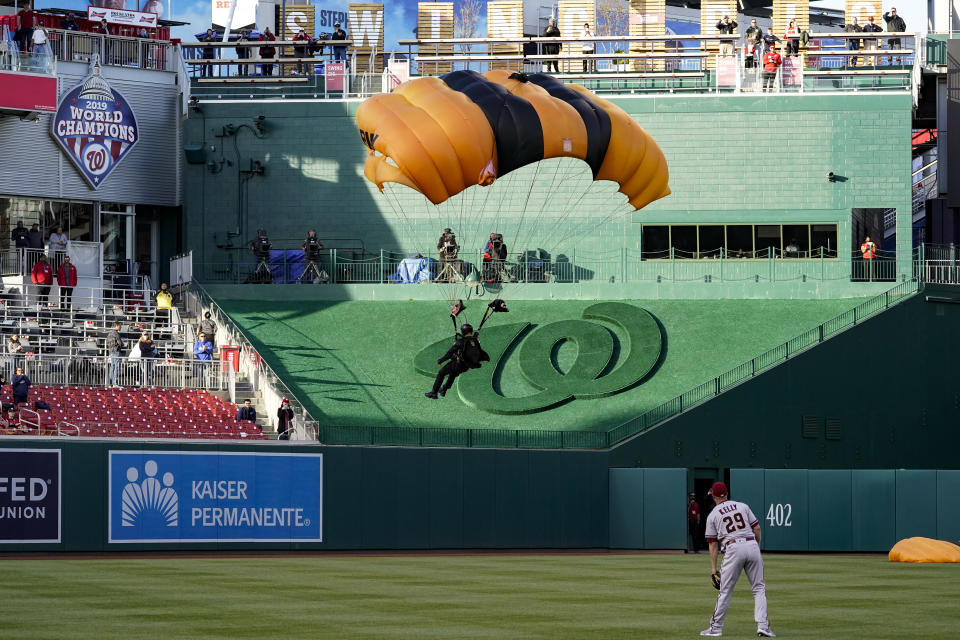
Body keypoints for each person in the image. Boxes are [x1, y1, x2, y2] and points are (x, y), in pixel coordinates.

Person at [700, 481, 775, 638]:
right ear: (727, 494)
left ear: (713, 496)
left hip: (733, 548)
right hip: (751, 544)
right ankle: (763, 627)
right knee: (759, 588)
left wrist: (714, 569)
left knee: (725, 591)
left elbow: (713, 544)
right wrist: (757, 548)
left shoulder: (713, 514)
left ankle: (715, 628)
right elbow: (757, 528)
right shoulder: (742, 506)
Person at [425, 323, 490, 399]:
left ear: (463, 332)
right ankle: (444, 389)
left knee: (441, 373)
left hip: (458, 364)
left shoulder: (460, 342)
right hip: (466, 366)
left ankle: (434, 393)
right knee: (452, 374)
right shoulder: (475, 341)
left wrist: (441, 360)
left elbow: (449, 353)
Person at [106, 322, 126, 386]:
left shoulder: (109, 333)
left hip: (111, 352)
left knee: (112, 367)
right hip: (116, 352)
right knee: (116, 367)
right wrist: (123, 344)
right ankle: (114, 383)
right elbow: (120, 343)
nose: (121, 327)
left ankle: (110, 383)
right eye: (120, 326)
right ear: (117, 326)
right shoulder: (116, 333)